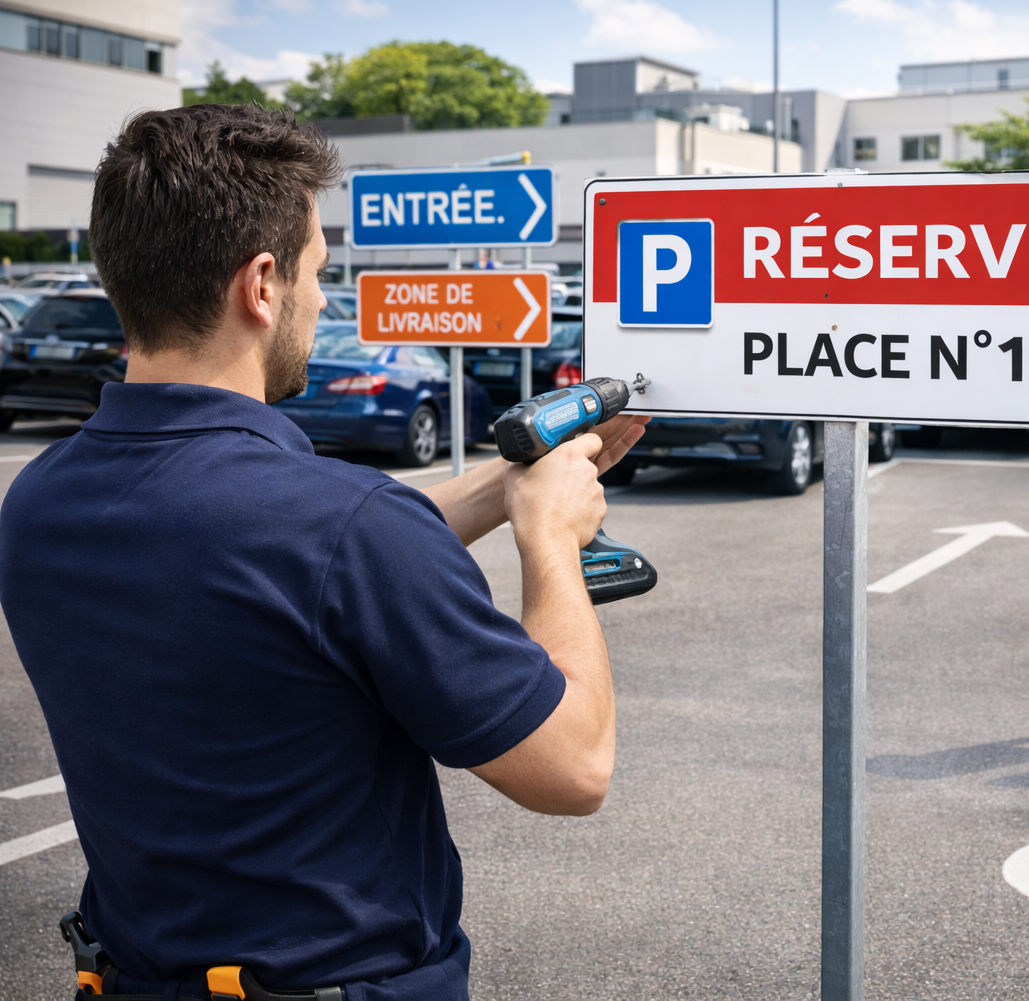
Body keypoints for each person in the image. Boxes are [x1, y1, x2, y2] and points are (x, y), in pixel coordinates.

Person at [0, 104, 647, 1000]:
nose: (320, 298)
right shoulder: (341, 529)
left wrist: (505, 489)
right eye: (317, 273)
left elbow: (289, 565)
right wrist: (550, 538)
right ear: (261, 286)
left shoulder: (40, 499)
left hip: (129, 978)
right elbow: (574, 768)